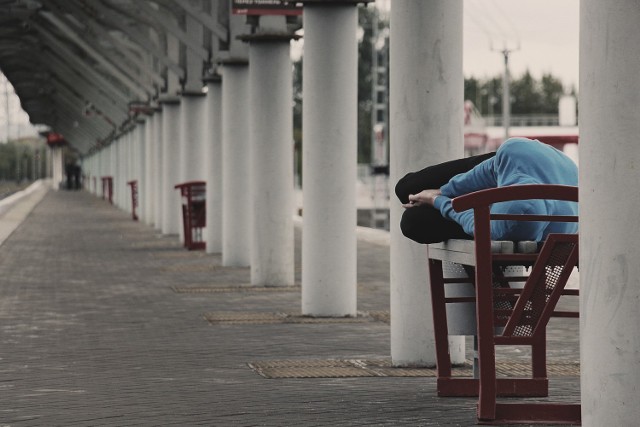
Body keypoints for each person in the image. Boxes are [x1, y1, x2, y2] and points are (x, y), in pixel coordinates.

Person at [396, 137, 578, 244]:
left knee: (412, 221)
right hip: (522, 161)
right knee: (406, 190)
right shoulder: (511, 155)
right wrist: (442, 191)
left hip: (534, 162)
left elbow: (471, 220)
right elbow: (480, 175)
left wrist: (435, 200)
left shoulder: (512, 224)